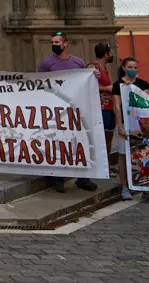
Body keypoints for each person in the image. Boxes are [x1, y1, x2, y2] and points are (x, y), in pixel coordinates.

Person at [36, 32, 97, 192]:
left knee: (80, 142)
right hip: (56, 109)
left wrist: (93, 75)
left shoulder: (78, 62)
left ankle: (83, 178)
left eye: (57, 42)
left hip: (76, 109)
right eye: (52, 42)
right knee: (58, 142)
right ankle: (58, 178)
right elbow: (39, 83)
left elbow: (85, 81)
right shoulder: (47, 63)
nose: (54, 44)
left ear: (65, 44)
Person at [111, 57, 149, 201]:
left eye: (135, 67)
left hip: (141, 125)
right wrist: (120, 126)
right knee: (123, 155)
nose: (133, 70)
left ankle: (147, 187)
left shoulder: (143, 84)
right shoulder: (118, 85)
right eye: (130, 67)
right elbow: (117, 106)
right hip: (125, 124)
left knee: (145, 155)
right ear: (124, 68)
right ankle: (124, 187)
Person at [92, 43, 116, 162]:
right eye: (110, 52)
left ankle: (107, 162)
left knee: (109, 136)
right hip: (101, 107)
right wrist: (108, 89)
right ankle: (101, 163)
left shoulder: (105, 68)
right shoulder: (94, 66)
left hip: (109, 106)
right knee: (103, 137)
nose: (112, 55)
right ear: (106, 54)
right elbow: (91, 85)